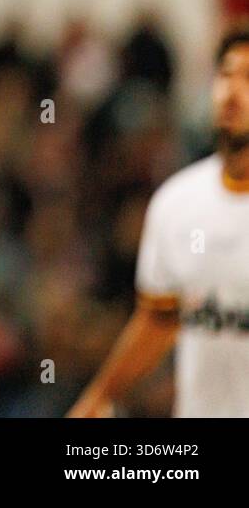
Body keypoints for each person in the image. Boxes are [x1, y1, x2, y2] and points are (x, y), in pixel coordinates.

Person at [69, 26, 249, 417]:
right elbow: (159, 321)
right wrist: (101, 395)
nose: (232, 92)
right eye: (225, 74)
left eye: (248, 78)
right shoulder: (177, 202)